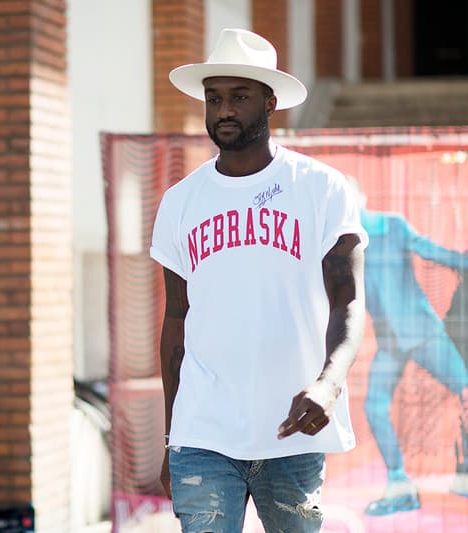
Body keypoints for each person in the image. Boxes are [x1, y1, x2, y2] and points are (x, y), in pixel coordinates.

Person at [150, 28, 368, 532]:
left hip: (292, 433)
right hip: (202, 433)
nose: (224, 110)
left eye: (240, 96)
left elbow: (349, 301)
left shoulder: (321, 188)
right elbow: (176, 323)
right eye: (214, 98)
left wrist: (329, 384)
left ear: (271, 102)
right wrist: (171, 437)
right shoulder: (180, 201)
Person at [349, 180, 468, 516]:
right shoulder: (344, 240)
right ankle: (400, 484)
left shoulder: (391, 226)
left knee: (467, 393)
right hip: (392, 342)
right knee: (375, 407)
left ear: (360, 197)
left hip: (423, 333)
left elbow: (430, 250)